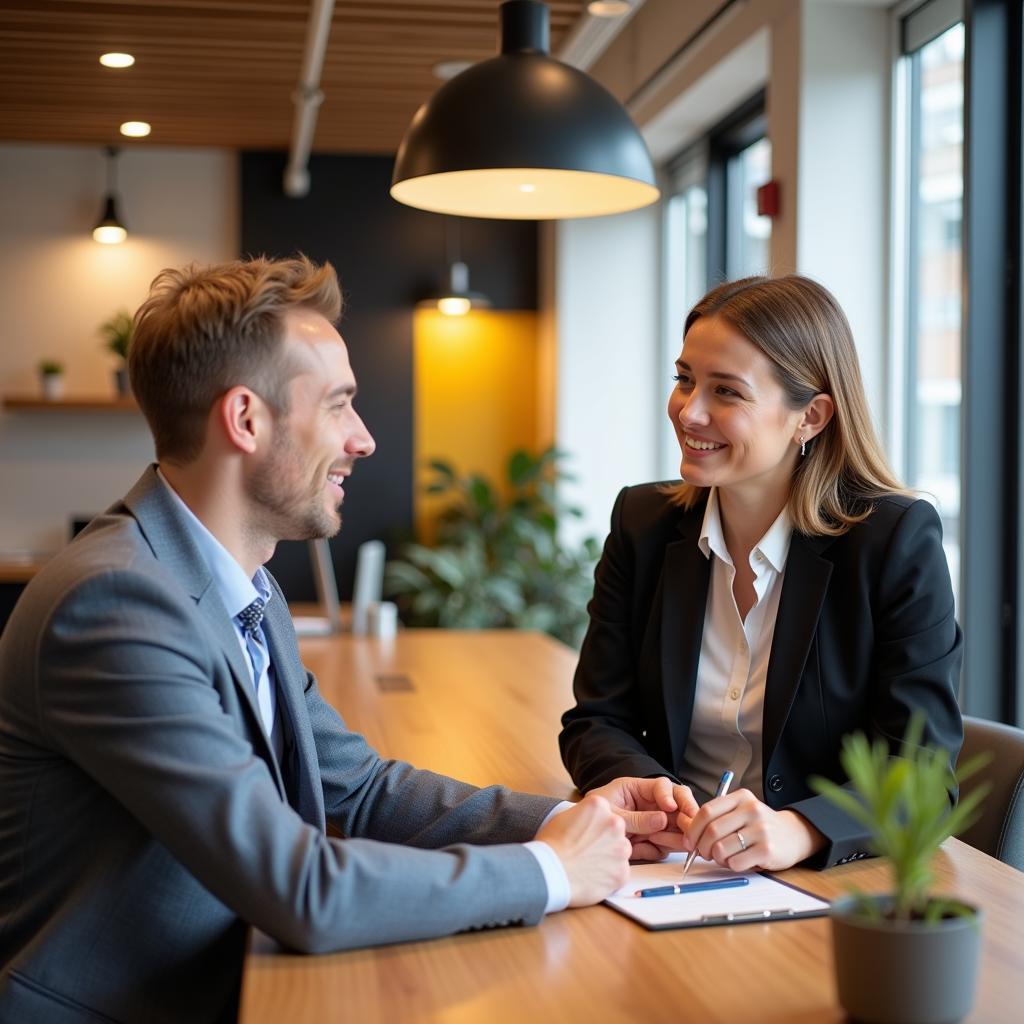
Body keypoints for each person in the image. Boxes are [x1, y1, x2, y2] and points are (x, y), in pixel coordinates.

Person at [0, 256, 691, 1024]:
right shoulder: (116, 602)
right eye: (338, 406)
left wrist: (566, 821)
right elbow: (302, 891)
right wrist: (550, 872)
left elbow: (356, 788)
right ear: (246, 419)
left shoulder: (242, 583)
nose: (363, 440)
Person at [559, 274, 964, 874]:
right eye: (684, 379)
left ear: (812, 416)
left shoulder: (894, 542)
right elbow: (596, 719)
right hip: (666, 863)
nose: (689, 411)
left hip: (823, 886)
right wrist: (656, 794)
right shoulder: (641, 523)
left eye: (727, 392)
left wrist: (799, 830)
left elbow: (923, 775)